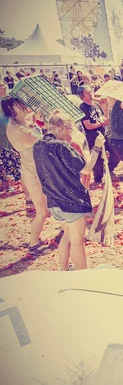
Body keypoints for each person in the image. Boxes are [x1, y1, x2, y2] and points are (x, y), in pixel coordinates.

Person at [33, 112, 104, 270]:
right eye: (70, 130)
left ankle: (64, 270)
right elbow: (86, 169)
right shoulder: (61, 146)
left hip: (54, 202)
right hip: (71, 202)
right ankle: (83, 277)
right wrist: (97, 146)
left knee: (67, 236)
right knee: (77, 242)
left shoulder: (38, 145)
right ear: (62, 128)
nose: (71, 134)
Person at [1, 97, 47, 254]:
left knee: (45, 209)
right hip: (32, 173)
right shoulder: (16, 128)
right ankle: (33, 244)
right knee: (41, 211)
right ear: (12, 109)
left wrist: (37, 122)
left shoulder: (19, 124)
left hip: (36, 170)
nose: (25, 106)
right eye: (20, 105)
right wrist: (45, 126)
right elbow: (42, 141)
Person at [78, 86, 117, 185]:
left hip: (103, 132)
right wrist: (101, 124)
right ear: (82, 96)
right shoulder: (83, 107)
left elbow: (101, 117)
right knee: (97, 159)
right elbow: (88, 126)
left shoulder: (96, 104)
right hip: (93, 136)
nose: (91, 94)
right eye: (87, 93)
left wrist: (105, 119)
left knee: (115, 152)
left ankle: (109, 169)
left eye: (90, 91)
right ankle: (98, 179)